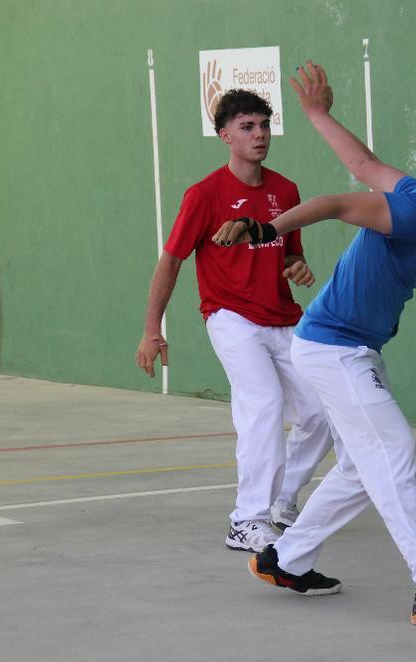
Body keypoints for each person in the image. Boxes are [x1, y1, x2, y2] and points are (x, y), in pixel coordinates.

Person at [219, 61, 416, 627]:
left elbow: (364, 163)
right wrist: (264, 230)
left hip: (352, 346)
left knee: (359, 466)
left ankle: (286, 558)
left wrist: (319, 115)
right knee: (392, 452)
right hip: (333, 346)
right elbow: (335, 202)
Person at [136, 89, 333, 553]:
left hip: (285, 319)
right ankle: (247, 519)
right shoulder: (204, 195)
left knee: (321, 412)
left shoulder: (286, 191)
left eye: (264, 125)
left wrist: (297, 268)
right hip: (230, 317)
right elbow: (170, 263)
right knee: (263, 402)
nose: (259, 134)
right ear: (225, 135)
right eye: (247, 127)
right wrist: (152, 328)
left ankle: (281, 503)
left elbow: (292, 255)